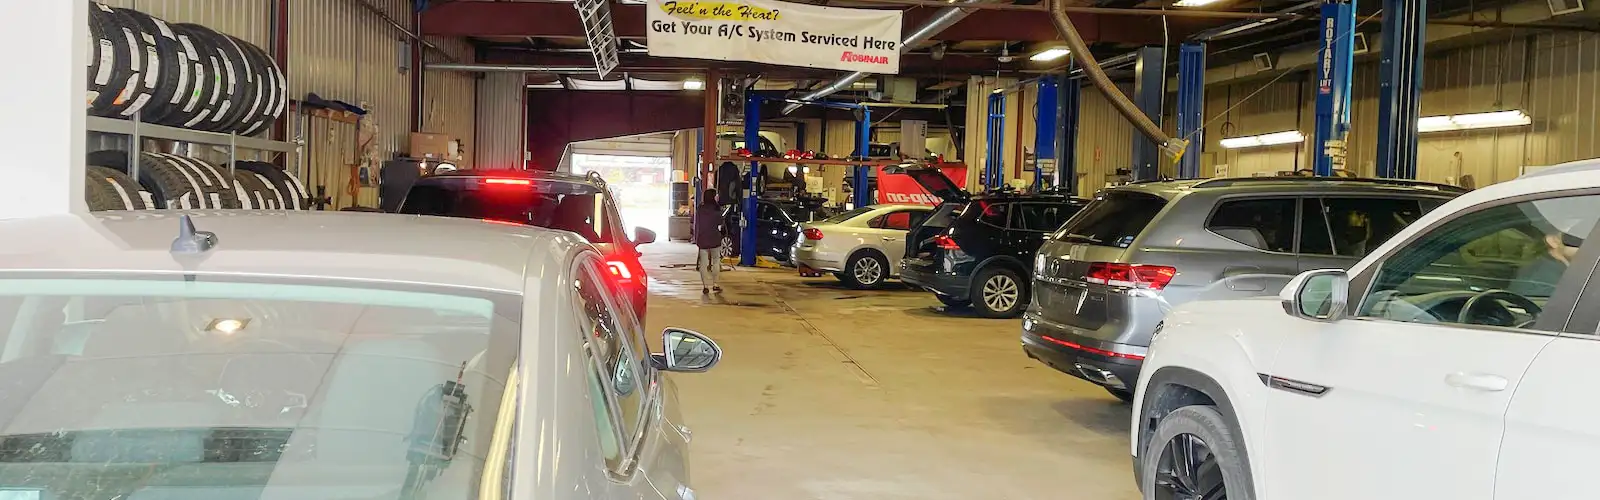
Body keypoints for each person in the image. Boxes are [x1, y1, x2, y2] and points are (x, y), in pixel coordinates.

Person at [693, 188, 724, 295]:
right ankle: (715, 284)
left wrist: (696, 238)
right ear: (713, 197)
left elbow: (696, 224)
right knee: (716, 261)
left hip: (702, 238)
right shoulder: (717, 209)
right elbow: (721, 222)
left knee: (703, 263)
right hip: (714, 238)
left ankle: (705, 286)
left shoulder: (700, 209)